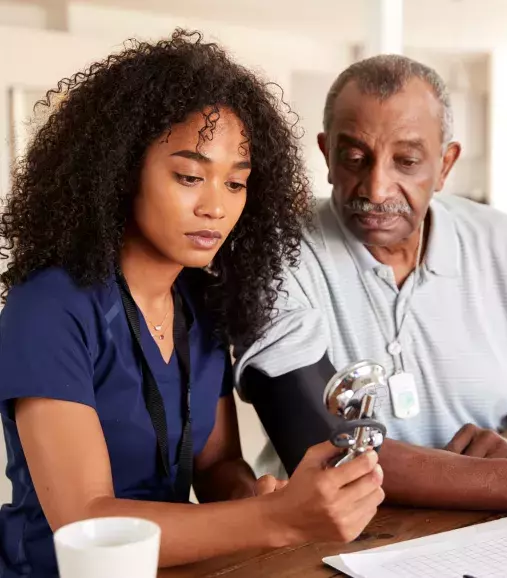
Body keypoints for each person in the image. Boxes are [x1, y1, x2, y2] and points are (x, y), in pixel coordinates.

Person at [0, 30, 384, 578]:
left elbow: (218, 464)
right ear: (119, 171)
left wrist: (257, 494)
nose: (215, 207)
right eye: (189, 176)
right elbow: (86, 524)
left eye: (236, 184)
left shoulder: (199, 303)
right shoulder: (49, 308)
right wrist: (276, 519)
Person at [234, 54, 507, 530]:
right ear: (326, 155)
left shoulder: (506, 244)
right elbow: (323, 441)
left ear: (445, 164)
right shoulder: (274, 252)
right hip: (326, 536)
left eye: (407, 161)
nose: (378, 187)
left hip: (490, 526)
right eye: (355, 157)